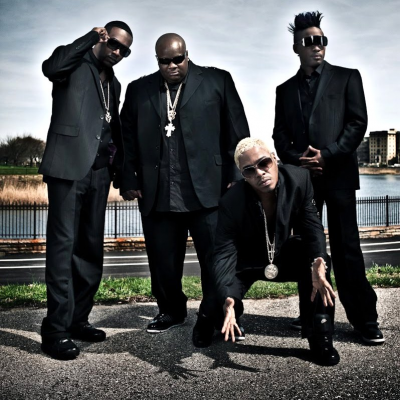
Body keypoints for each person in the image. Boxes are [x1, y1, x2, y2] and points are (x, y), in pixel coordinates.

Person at [120, 33, 250, 345]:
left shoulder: (217, 81)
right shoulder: (138, 90)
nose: (172, 66)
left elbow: (237, 131)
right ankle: (171, 310)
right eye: (165, 61)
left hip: (209, 190)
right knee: (163, 260)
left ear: (187, 55)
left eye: (178, 59)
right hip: (158, 191)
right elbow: (125, 139)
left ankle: (220, 315)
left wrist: (236, 176)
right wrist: (128, 178)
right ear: (157, 61)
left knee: (216, 260)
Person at [272, 11, 384, 344]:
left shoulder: (348, 78)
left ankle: (365, 319)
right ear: (296, 47)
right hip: (303, 181)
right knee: (307, 247)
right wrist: (300, 161)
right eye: (309, 41)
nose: (317, 46)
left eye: (321, 40)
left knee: (347, 248)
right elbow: (279, 135)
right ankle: (312, 315)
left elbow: (357, 123)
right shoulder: (284, 90)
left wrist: (328, 154)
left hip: (338, 177)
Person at [39, 22, 133, 360]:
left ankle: (78, 320)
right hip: (67, 168)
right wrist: (90, 37)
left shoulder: (114, 84)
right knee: (63, 249)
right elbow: (51, 67)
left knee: (91, 249)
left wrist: (119, 170)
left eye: (125, 50)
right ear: (103, 38)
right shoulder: (74, 64)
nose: (118, 52)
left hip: (99, 173)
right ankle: (55, 330)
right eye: (114, 44)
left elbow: (111, 127)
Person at [209, 137, 339, 366]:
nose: (260, 172)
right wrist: (228, 298)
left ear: (274, 159)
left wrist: (319, 260)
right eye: (250, 170)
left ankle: (321, 336)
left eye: (264, 163)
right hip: (248, 259)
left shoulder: (299, 180)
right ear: (243, 175)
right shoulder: (231, 200)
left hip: (282, 253)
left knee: (317, 262)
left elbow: (312, 228)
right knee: (219, 289)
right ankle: (209, 317)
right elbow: (224, 253)